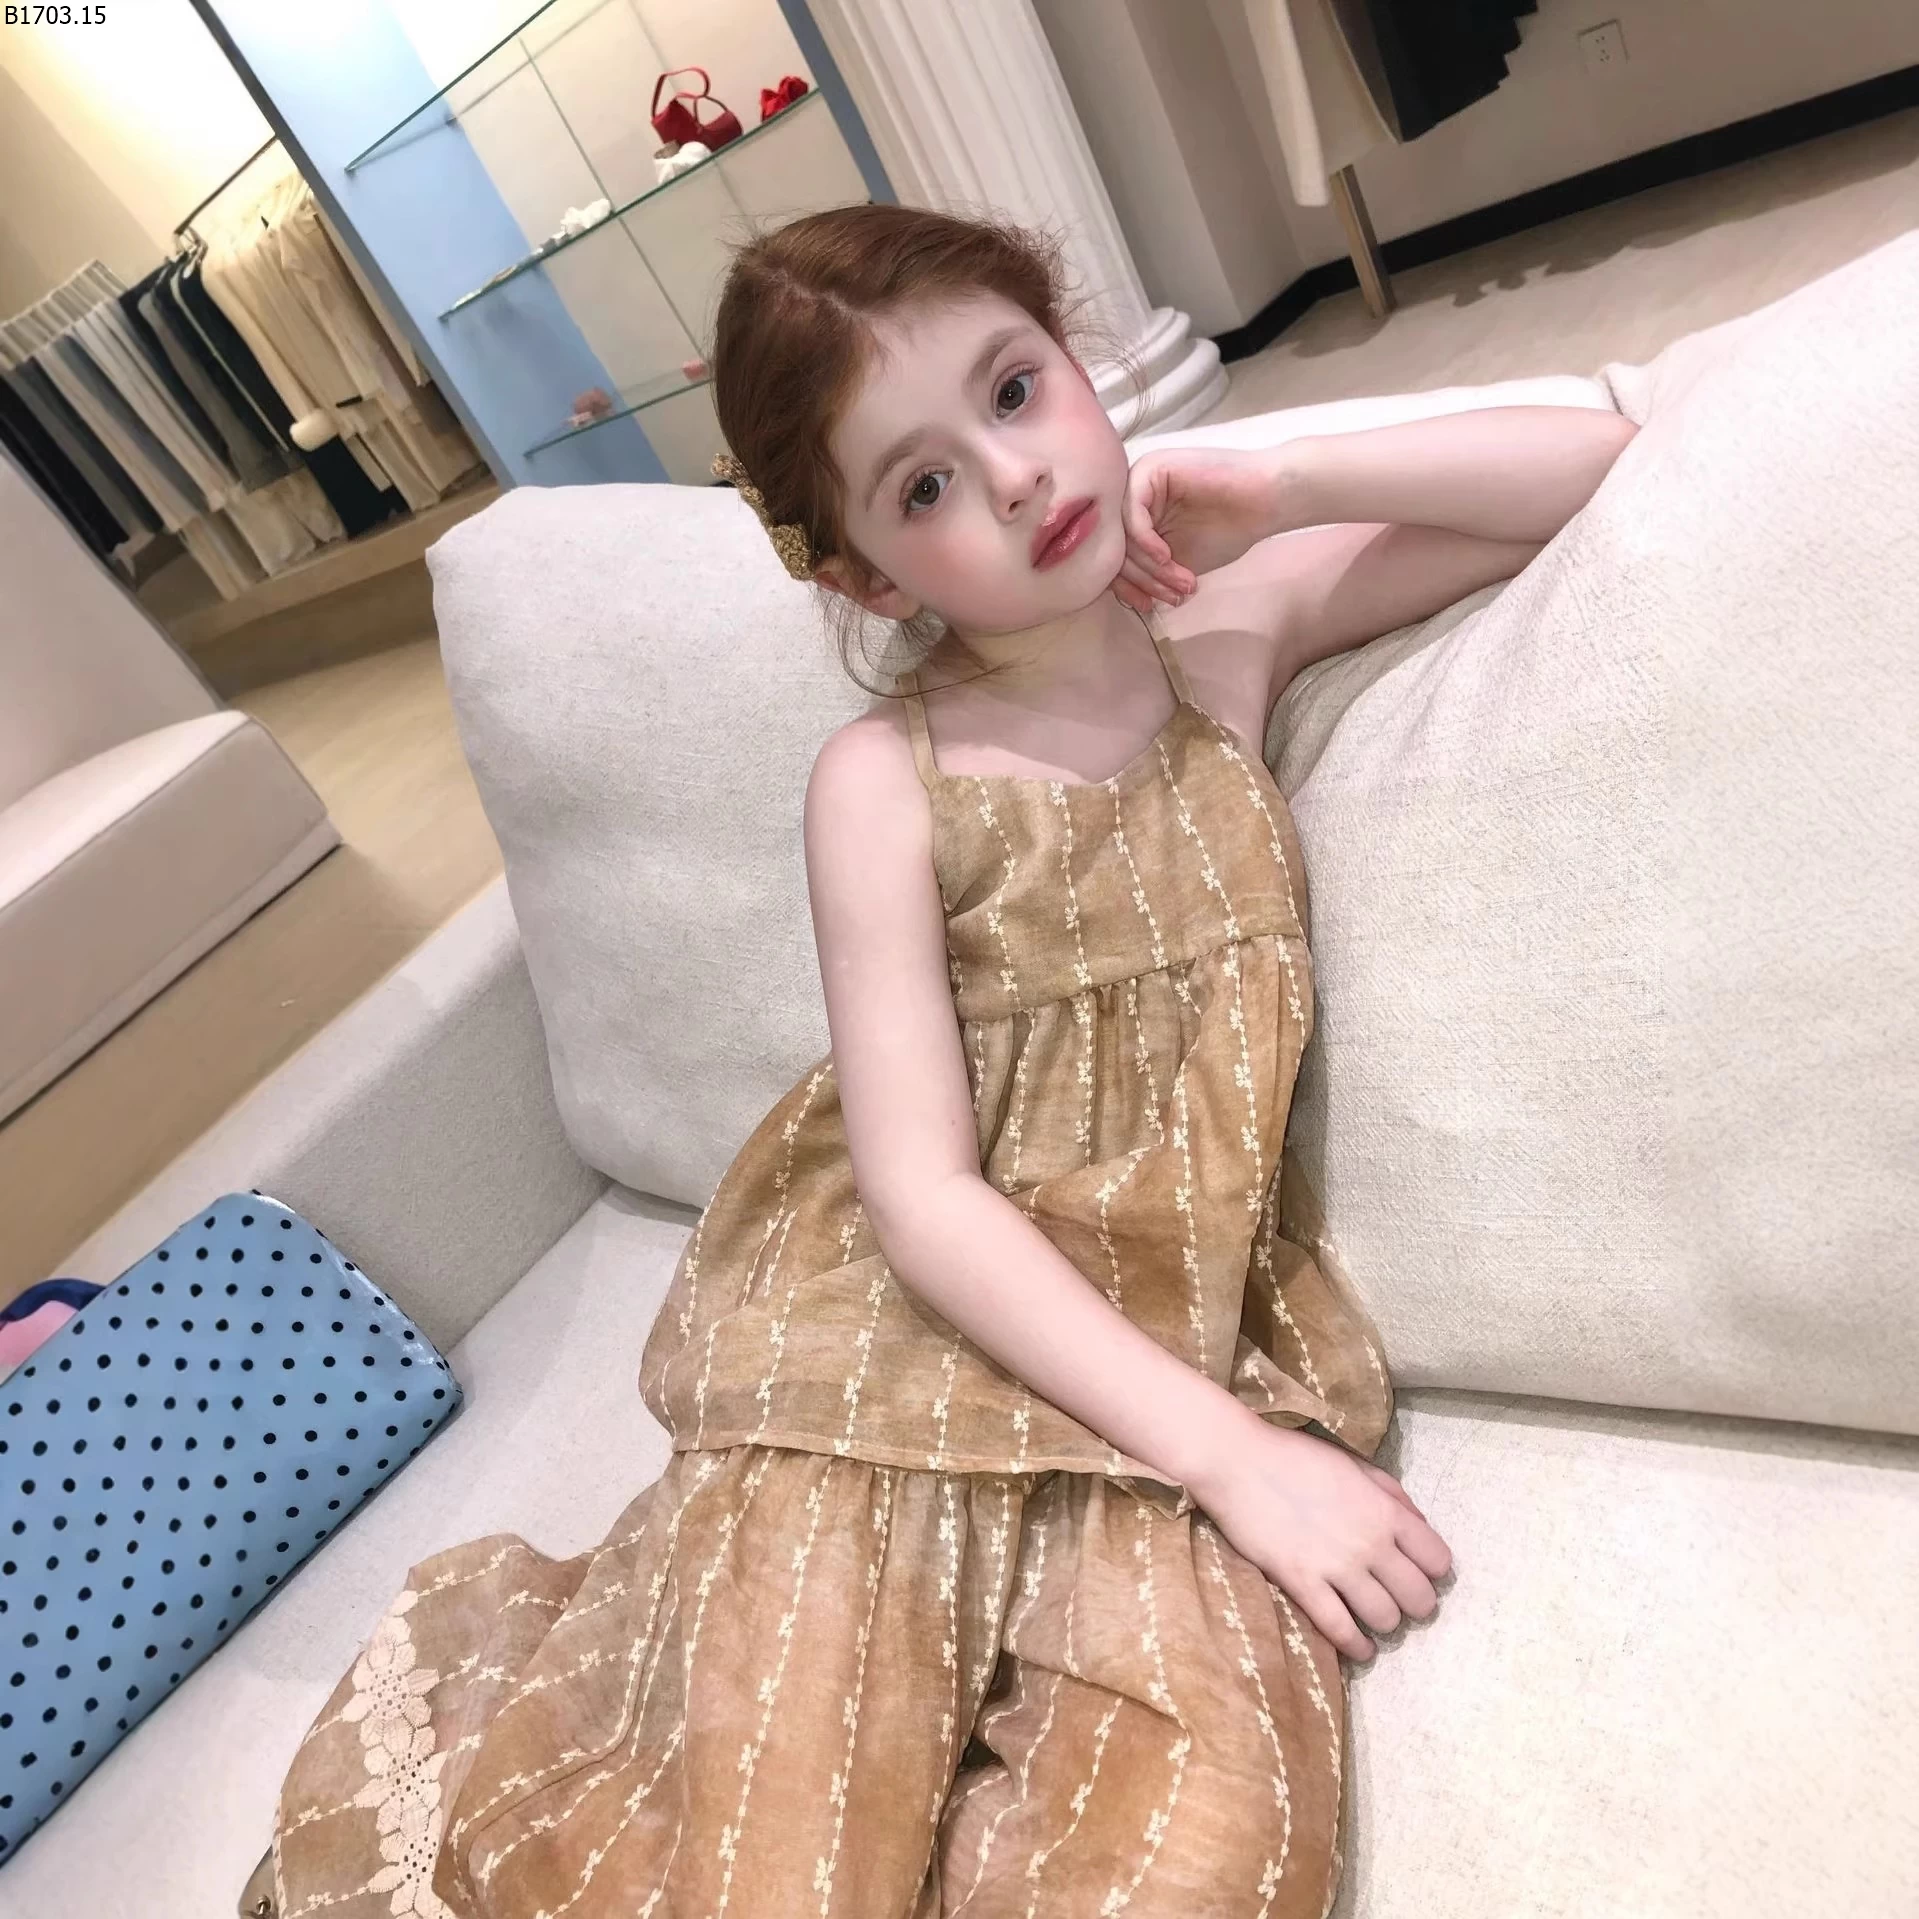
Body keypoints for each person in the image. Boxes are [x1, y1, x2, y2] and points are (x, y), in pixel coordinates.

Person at [269, 202, 1636, 1916]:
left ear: (1073, 357)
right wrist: (1231, 1458)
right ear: (863, 574)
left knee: (1205, 1843)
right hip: (890, 1346)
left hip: (1167, 1345)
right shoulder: (881, 784)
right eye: (920, 487)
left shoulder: (1227, 638)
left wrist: (1276, 479)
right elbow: (917, 1201)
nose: (1010, 476)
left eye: (1013, 387)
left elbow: (1598, 461)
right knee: (766, 1852)